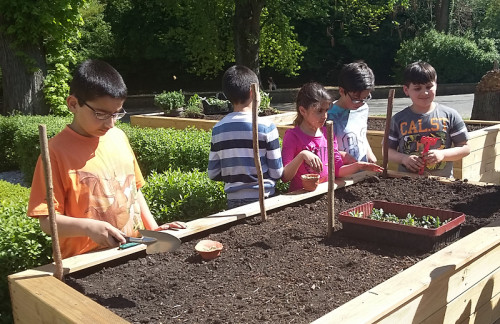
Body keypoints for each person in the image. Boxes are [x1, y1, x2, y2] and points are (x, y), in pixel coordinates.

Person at [27, 59, 186, 259]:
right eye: (101, 114)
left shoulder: (118, 137)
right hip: (87, 262)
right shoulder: (54, 153)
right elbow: (47, 222)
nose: (110, 123)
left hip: (133, 253)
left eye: (116, 114)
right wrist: (88, 227)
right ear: (73, 104)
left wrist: (154, 229)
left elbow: (134, 190)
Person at [281, 82, 383, 192]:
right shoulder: (293, 136)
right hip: (300, 196)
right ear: (303, 111)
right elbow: (285, 176)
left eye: (326, 110)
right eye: (319, 111)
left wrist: (359, 166)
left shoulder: (327, 133)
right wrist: (302, 155)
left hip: (325, 193)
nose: (324, 116)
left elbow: (337, 170)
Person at [208, 65, 283, 209]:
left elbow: (213, 173)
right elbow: (277, 172)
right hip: (265, 199)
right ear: (253, 92)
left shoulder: (218, 129)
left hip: (233, 202)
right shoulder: (267, 127)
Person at [387, 61, 470, 178]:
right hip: (405, 183)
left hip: (442, 183)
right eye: (417, 88)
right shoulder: (398, 119)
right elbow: (386, 151)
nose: (424, 92)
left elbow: (465, 148)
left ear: (436, 85)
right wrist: (404, 159)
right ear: (406, 90)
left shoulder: (450, 115)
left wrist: (442, 154)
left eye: (429, 87)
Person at [327, 61, 377, 164]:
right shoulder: (328, 115)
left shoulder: (363, 109)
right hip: (340, 173)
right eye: (356, 98)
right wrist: (341, 155)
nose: (360, 103)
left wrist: (369, 152)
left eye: (365, 98)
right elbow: (322, 146)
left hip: (362, 171)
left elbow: (360, 135)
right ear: (341, 91)